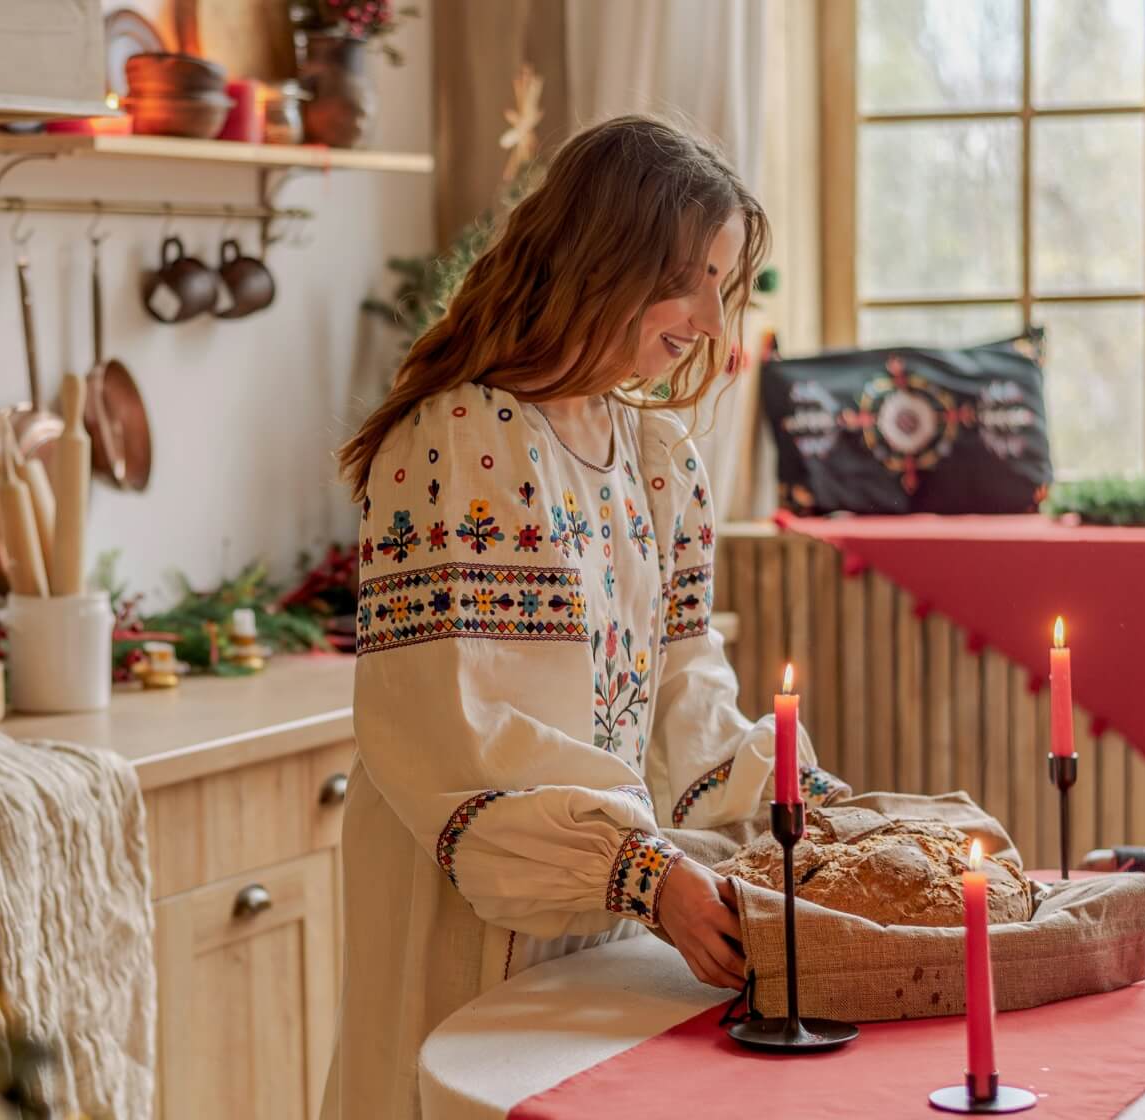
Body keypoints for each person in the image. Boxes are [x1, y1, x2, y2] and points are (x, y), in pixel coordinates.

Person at [323, 115, 842, 1119]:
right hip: (470, 912)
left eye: (718, 283)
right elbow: (459, 740)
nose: (705, 316)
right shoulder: (456, 438)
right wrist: (641, 873)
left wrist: (806, 812)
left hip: (610, 912)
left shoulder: (654, 456)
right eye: (686, 275)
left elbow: (684, 690)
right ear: (607, 255)